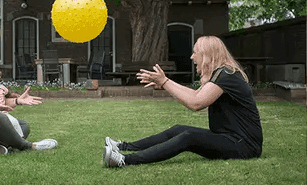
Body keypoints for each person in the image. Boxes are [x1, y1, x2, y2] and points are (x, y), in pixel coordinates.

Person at [103, 36, 262, 167]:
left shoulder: (227, 75)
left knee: (189, 137)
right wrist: (165, 84)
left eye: (195, 53)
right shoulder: (223, 73)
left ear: (206, 55)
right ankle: (122, 146)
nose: (192, 57)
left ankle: (125, 160)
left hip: (244, 146)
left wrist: (165, 81)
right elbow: (194, 94)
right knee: (178, 129)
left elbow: (196, 103)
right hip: (230, 138)